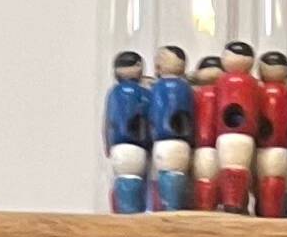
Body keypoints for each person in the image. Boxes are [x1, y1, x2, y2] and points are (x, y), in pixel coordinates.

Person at [209, 44, 262, 212]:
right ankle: (234, 205)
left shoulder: (229, 82)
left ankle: (233, 205)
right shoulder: (251, 83)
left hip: (233, 138)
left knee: (235, 169)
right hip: (238, 138)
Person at [148, 45, 197, 210]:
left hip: (168, 143)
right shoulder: (184, 87)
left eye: (160, 60)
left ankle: (171, 210)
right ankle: (170, 209)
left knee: (168, 174)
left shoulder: (163, 87)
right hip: (174, 144)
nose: (156, 65)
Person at [253, 50, 287, 219]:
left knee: (278, 185)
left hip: (281, 154)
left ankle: (276, 215)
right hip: (272, 152)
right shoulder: (265, 93)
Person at [103, 51, 152, 213]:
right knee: (133, 179)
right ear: (139, 67)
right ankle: (130, 213)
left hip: (121, 147)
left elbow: (106, 123)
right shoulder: (142, 93)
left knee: (124, 178)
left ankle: (125, 212)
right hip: (137, 147)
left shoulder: (114, 93)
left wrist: (107, 143)